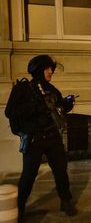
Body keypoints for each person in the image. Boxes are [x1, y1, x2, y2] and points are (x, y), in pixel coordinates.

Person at [4, 55, 77, 221]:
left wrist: (66, 104)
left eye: (52, 69)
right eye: (48, 69)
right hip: (34, 140)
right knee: (29, 175)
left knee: (60, 170)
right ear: (38, 70)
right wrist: (34, 107)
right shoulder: (22, 89)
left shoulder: (52, 90)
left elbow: (58, 109)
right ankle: (20, 207)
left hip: (52, 137)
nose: (51, 72)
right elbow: (10, 112)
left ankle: (65, 201)